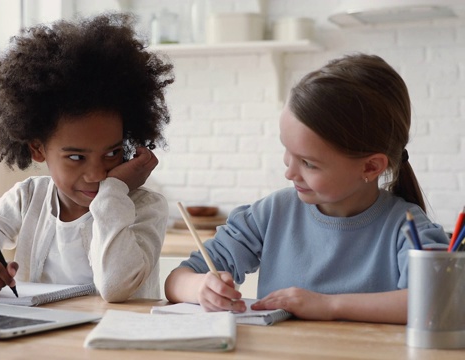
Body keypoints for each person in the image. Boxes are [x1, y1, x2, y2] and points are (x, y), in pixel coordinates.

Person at [164, 53, 449, 324]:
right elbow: (177, 280)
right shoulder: (271, 214)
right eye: (287, 151)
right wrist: (201, 287)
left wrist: (328, 305)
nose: (289, 172)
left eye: (308, 163)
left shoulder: (406, 227)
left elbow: (438, 300)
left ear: (370, 167)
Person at [0, 13, 174, 302]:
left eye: (112, 153)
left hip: (114, 342)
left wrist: (114, 191)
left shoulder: (145, 208)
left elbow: (116, 288)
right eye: (77, 157)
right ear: (38, 149)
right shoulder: (28, 198)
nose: (97, 174)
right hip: (40, 341)